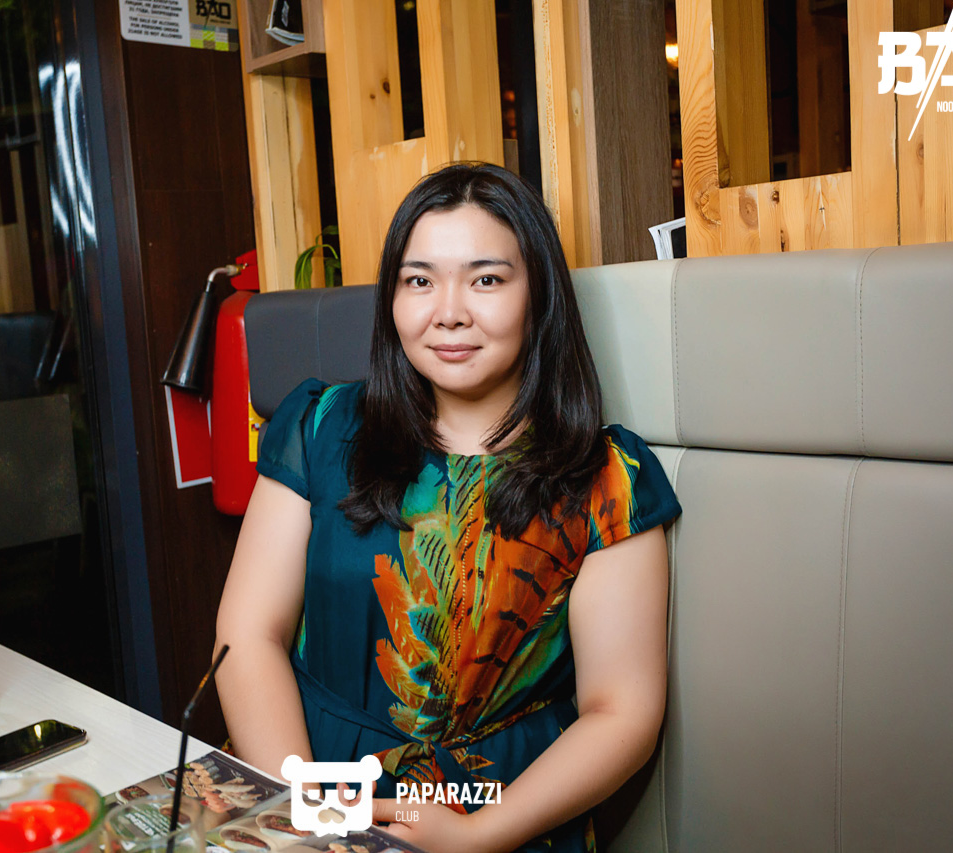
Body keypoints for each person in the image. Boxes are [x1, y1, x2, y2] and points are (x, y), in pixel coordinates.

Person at [214, 163, 681, 852]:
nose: (449, 310)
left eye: (486, 279)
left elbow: (622, 712)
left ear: (539, 294)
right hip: (299, 778)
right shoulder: (322, 426)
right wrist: (306, 811)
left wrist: (475, 835)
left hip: (496, 811)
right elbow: (247, 632)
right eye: (419, 280)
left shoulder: (609, 478)